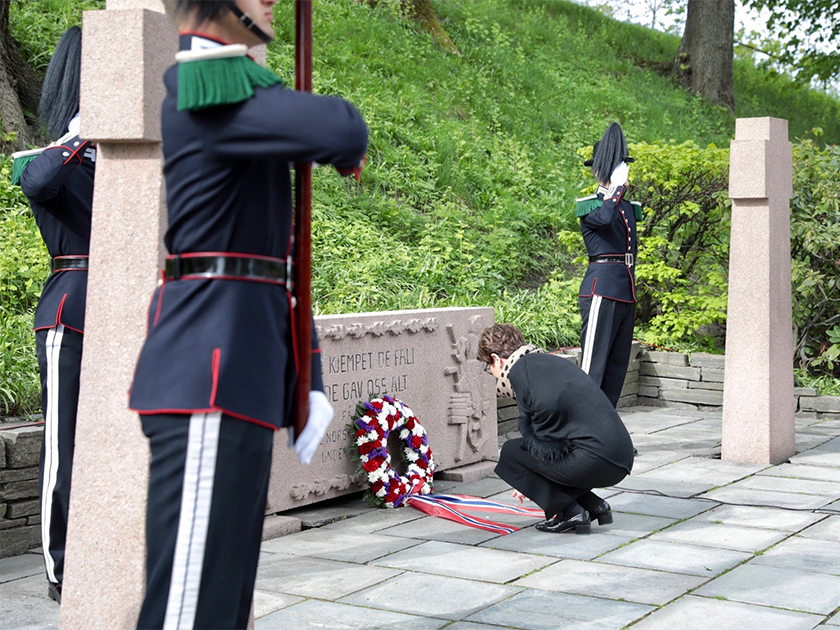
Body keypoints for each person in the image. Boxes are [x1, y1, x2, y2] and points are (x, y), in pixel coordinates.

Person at [127, 1, 368, 627]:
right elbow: (341, 127)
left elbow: (275, 270)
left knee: (222, 603)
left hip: (239, 372)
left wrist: (306, 377)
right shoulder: (204, 86)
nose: (269, 3)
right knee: (188, 606)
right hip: (209, 370)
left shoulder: (238, 99)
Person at [12, 26, 94, 605]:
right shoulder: (54, 159)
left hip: (130, 312)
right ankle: (60, 566)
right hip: (72, 310)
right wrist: (81, 131)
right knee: (64, 448)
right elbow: (37, 184)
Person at [480, 324, 634, 534]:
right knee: (525, 454)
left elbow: (544, 443)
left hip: (597, 460)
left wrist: (526, 477)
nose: (492, 373)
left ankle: (571, 513)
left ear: (496, 359)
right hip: (618, 458)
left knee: (511, 454)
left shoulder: (521, 373)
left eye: (488, 367)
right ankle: (594, 505)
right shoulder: (546, 362)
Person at [575, 122, 642, 407]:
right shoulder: (591, 205)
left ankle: (605, 435)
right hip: (601, 288)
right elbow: (604, 220)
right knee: (593, 368)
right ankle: (579, 433)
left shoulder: (625, 205)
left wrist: (618, 195)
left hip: (624, 289)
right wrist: (614, 190)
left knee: (616, 370)